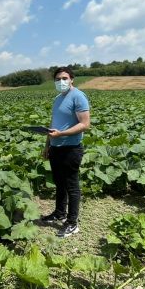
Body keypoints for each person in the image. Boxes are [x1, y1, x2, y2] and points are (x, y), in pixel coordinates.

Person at [41, 67, 90, 237]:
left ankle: (72, 222)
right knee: (59, 183)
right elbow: (53, 123)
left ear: (72, 79)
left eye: (64, 78)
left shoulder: (78, 96)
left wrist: (61, 134)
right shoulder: (58, 98)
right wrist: (47, 145)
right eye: (57, 79)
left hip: (71, 148)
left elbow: (84, 124)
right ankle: (60, 213)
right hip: (56, 147)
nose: (61, 81)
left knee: (71, 186)